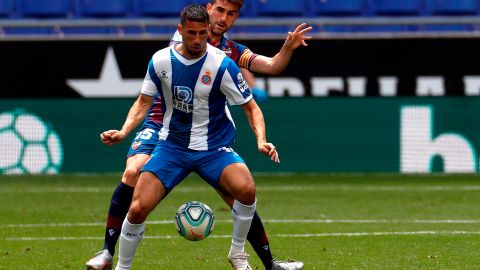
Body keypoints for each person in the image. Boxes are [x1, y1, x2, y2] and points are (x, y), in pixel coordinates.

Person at [86, 1, 311, 269]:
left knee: (240, 193)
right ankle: (107, 253)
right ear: (206, 10)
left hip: (208, 135)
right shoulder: (180, 40)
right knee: (134, 173)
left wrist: (286, 49)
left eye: (231, 14)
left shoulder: (228, 53)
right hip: (163, 122)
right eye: (220, 11)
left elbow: (271, 67)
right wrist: (124, 131)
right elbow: (148, 96)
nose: (224, 18)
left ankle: (259, 259)